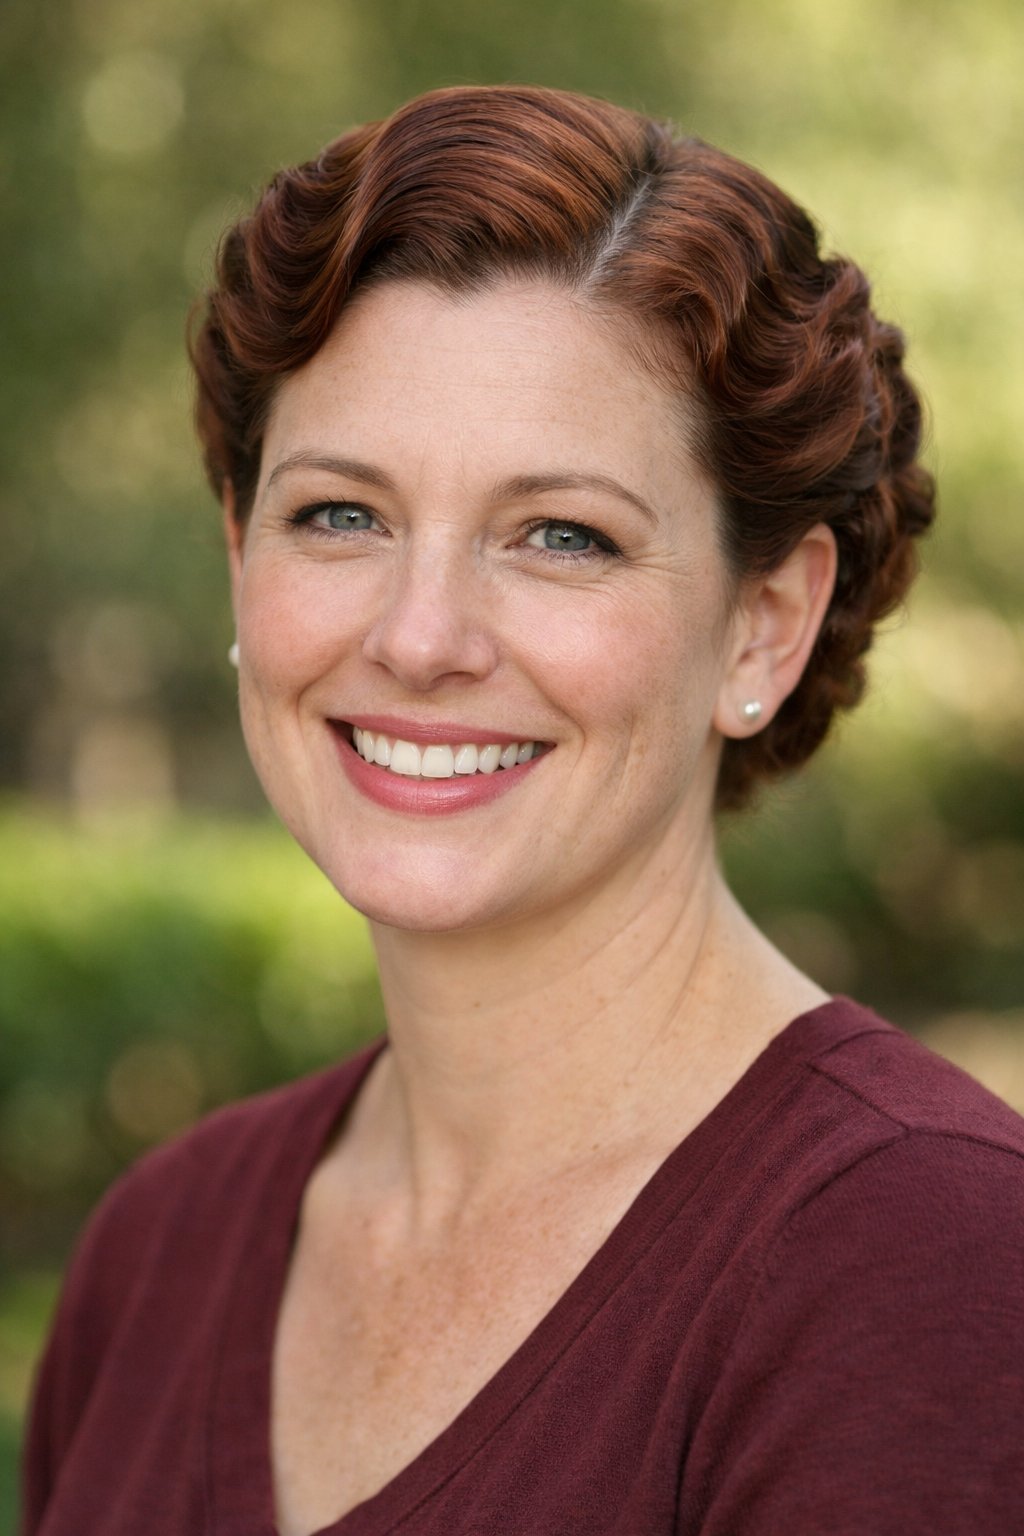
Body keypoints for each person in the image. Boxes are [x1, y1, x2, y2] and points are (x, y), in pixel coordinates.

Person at [21, 85, 1024, 1536]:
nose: (422, 637)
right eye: (340, 516)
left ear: (763, 624)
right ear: (239, 553)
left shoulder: (923, 1267)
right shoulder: (156, 1253)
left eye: (562, 535)